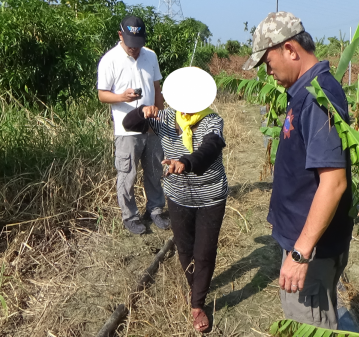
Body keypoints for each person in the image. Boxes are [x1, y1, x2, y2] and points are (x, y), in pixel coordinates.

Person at [242, 12, 353, 329]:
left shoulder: (318, 97)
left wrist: (301, 254)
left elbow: (333, 183)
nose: (268, 70)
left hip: (312, 251)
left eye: (268, 60)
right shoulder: (304, 91)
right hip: (305, 242)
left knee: (311, 327)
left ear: (290, 49)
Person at [123, 67, 228, 333]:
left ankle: (197, 304)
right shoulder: (166, 118)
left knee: (204, 251)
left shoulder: (212, 121)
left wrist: (185, 162)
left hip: (210, 195)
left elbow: (210, 148)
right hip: (178, 195)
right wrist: (142, 111)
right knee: (184, 248)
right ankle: (196, 287)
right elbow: (129, 125)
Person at [97, 15, 169, 234]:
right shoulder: (110, 60)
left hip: (152, 125)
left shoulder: (151, 56)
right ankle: (130, 216)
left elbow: (157, 89)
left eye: (138, 45)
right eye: (130, 45)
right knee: (127, 173)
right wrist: (122, 97)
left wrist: (160, 116)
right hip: (126, 128)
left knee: (155, 169)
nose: (134, 49)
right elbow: (102, 95)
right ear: (120, 35)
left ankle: (155, 210)